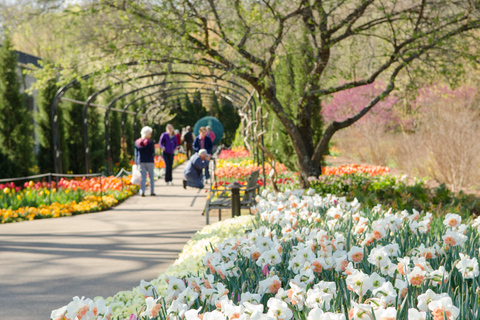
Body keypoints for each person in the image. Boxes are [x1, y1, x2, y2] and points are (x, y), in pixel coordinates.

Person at [134, 126, 156, 197]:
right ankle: (152, 191)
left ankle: (142, 191)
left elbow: (136, 153)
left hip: (141, 161)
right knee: (151, 177)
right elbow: (152, 151)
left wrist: (136, 162)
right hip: (149, 161)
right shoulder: (150, 142)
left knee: (143, 177)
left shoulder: (137, 142)